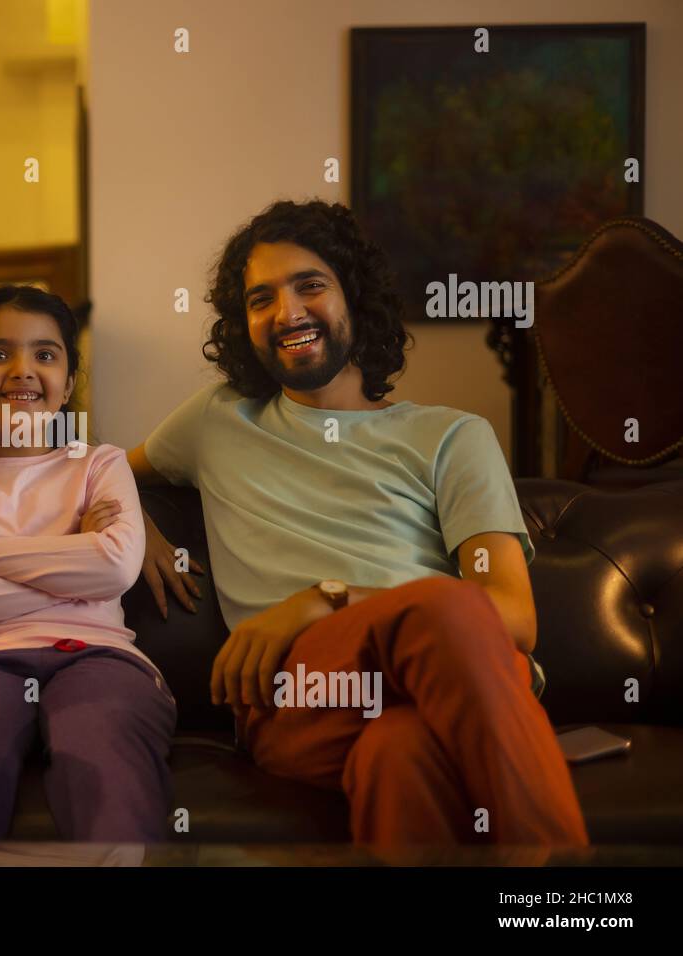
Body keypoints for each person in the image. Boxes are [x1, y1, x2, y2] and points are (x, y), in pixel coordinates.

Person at [128, 199, 588, 846]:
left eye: (309, 285)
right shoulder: (216, 420)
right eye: (261, 299)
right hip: (301, 693)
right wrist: (132, 521)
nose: (286, 312)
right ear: (245, 323)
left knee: (399, 753)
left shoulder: (452, 437)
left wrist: (325, 600)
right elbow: (97, 469)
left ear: (355, 296)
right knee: (445, 610)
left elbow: (511, 614)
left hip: (447, 678)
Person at [0, 285, 175, 841]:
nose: (22, 370)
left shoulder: (100, 463)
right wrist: (74, 577)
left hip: (99, 657)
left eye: (45, 354)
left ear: (67, 384)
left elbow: (115, 569)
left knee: (103, 744)